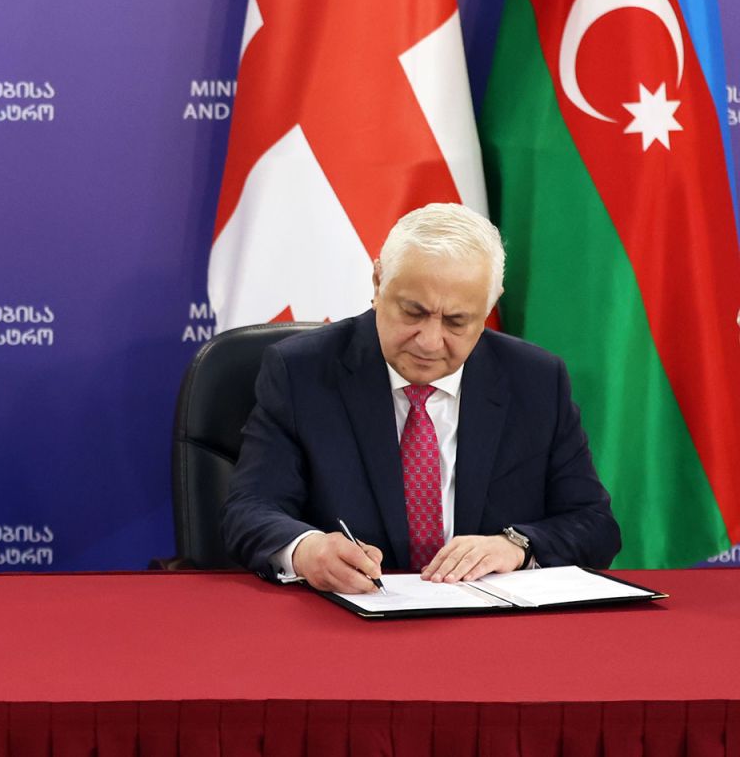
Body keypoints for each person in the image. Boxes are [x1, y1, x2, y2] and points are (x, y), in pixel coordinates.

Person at [221, 203, 620, 594]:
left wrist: (516, 546)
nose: (429, 342)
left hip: (488, 619)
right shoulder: (302, 372)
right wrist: (307, 550)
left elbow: (595, 525)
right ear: (378, 282)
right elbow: (250, 510)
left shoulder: (536, 380)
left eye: (456, 321)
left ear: (489, 306)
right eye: (413, 312)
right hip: (351, 615)